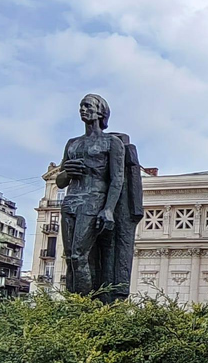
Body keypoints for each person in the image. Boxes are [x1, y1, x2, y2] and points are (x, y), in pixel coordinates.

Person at [56, 94, 124, 295]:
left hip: (93, 201)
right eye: (81, 106)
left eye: (87, 106)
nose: (82, 109)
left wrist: (109, 209)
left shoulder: (111, 142)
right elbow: (61, 182)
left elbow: (117, 179)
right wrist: (67, 172)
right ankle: (73, 304)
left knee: (79, 255)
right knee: (70, 257)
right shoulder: (72, 143)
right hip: (70, 202)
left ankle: (83, 307)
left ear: (100, 111)